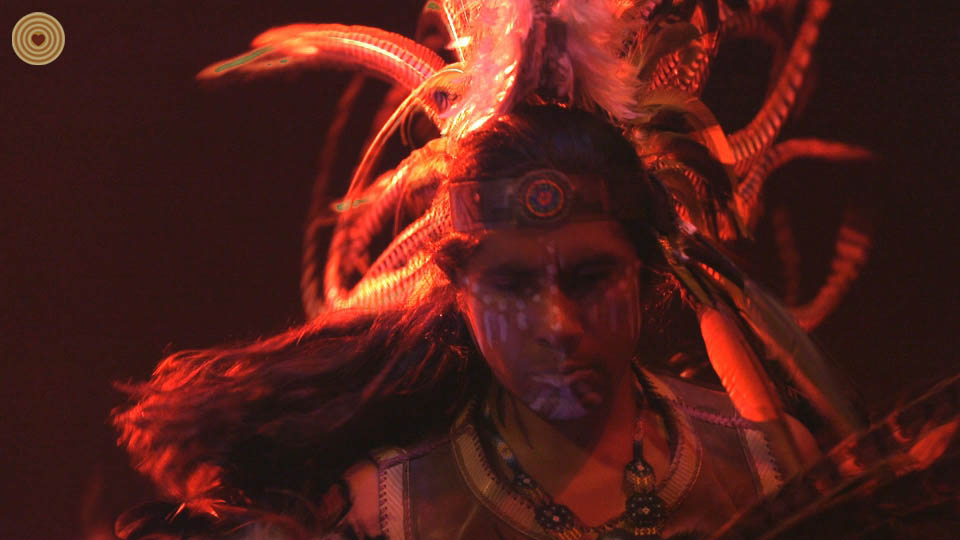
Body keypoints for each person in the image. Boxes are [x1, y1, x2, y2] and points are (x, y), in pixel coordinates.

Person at [113, 105, 822, 540]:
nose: (557, 324)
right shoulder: (381, 514)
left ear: (645, 272)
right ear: (460, 291)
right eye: (512, 285)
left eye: (589, 278)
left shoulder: (771, 468)